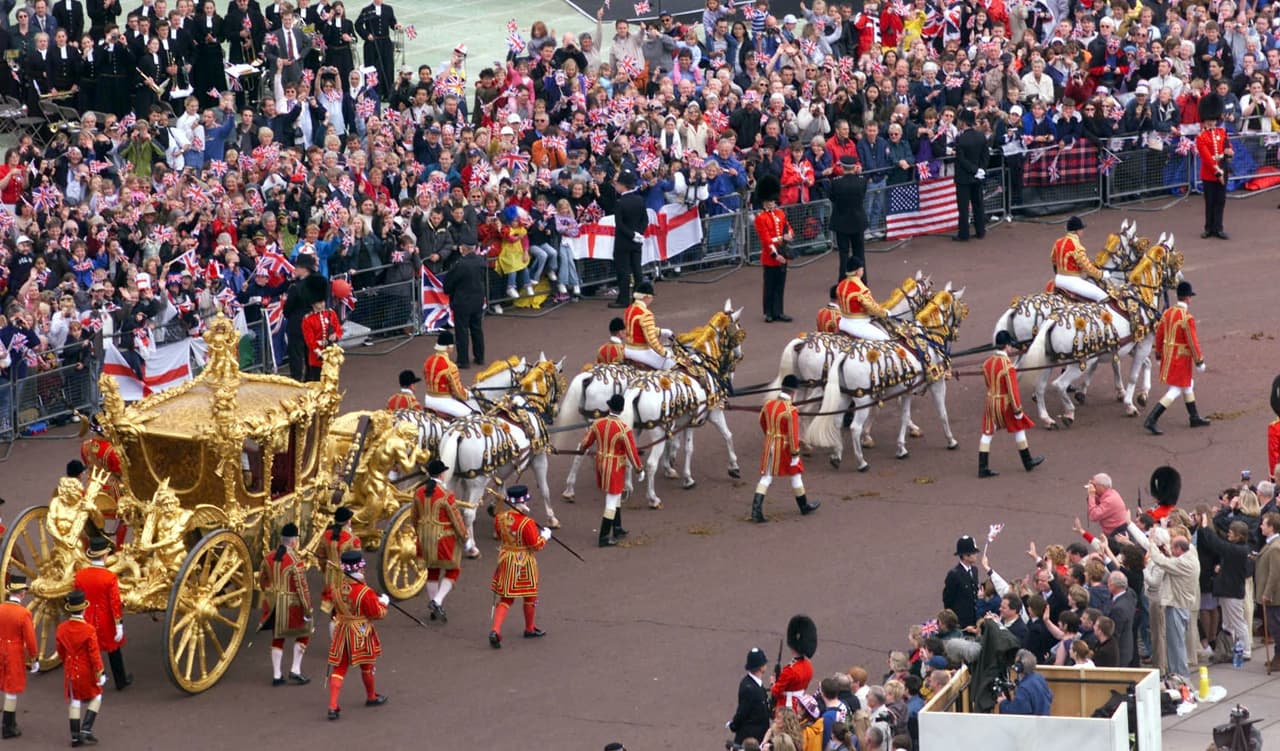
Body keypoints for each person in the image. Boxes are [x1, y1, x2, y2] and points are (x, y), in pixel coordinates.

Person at [326, 550, 389, 720]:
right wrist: (384, 603)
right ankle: (371, 696)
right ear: (359, 569)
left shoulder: (336, 589)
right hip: (360, 632)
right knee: (367, 665)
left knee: (339, 669)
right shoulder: (365, 591)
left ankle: (333, 705)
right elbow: (377, 614)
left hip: (342, 631)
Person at [1145, 281, 1210, 435]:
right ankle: (1152, 419)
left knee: (1187, 385)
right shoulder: (1187, 318)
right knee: (1175, 390)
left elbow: (1159, 335)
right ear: (1188, 298)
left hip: (1169, 357)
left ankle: (1194, 417)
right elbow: (1193, 343)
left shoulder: (1167, 313)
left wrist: (1159, 353)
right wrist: (1199, 361)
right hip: (1181, 360)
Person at [489, 485, 550, 648]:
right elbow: (535, 545)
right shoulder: (527, 523)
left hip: (506, 560)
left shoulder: (499, 518)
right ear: (522, 503)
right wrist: (544, 537)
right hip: (523, 563)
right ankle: (529, 628)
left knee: (506, 599)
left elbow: (498, 534)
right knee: (530, 595)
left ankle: (495, 629)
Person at [753, 375, 819, 523]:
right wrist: (795, 455)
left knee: (766, 477)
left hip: (769, 442)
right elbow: (793, 435)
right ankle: (803, 506)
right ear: (794, 392)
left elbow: (762, 422)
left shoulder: (768, 404)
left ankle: (756, 510)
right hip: (784, 447)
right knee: (796, 474)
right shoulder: (790, 410)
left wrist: (769, 436)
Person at [579, 394, 642, 543]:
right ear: (621, 410)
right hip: (615, 467)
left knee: (617, 495)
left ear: (609, 407)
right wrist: (639, 469)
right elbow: (632, 453)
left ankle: (617, 527)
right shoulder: (623, 429)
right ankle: (604, 536)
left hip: (601, 463)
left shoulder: (597, 423)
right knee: (612, 501)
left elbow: (585, 442)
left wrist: (582, 449)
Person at [979, 331, 1043, 477]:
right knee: (1019, 427)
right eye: (1010, 346)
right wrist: (1017, 410)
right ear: (1007, 346)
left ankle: (982, 467)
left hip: (990, 401)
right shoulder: (1007, 366)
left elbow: (988, 384)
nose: (1012, 348)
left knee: (987, 433)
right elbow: (1013, 391)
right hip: (1004, 403)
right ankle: (1027, 461)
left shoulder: (986, 363)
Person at [72, 537, 131, 692]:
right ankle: (121, 681)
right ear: (105, 556)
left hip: (86, 617)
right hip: (106, 620)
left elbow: (78, 598)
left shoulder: (80, 576)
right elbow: (115, 603)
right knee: (114, 652)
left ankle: (93, 680)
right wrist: (119, 625)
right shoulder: (109, 577)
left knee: (90, 651)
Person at [414, 460, 468, 621]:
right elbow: (456, 519)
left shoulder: (418, 492)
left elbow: (413, 517)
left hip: (424, 537)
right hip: (443, 538)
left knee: (432, 571)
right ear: (441, 474)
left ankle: (434, 605)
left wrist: (421, 532)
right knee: (453, 569)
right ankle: (437, 601)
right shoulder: (446, 495)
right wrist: (464, 536)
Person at [259, 523, 312, 687]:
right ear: (294, 541)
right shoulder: (295, 561)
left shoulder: (268, 557)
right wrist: (308, 609)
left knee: (278, 637)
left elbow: (261, 580)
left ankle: (277, 675)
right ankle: (295, 669)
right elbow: (302, 589)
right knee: (304, 633)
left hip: (273, 603)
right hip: (292, 605)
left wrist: (268, 592)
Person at [1147, 530, 1201, 679]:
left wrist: (1151, 544)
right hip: (1181, 606)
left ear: (1179, 549)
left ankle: (1180, 677)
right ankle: (1176, 674)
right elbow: (1172, 561)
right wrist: (1167, 552)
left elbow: (1161, 562)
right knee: (1175, 643)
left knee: (1176, 645)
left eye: (1172, 547)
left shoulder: (1184, 563)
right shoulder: (1191, 556)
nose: (1170, 548)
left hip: (1177, 606)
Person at [56, 590, 105, 747]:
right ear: (83, 609)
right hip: (86, 670)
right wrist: (100, 672)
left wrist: (67, 663)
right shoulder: (88, 630)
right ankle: (86, 730)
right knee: (97, 696)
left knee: (75, 701)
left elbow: (61, 651)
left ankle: (75, 737)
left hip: (70, 669)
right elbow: (94, 654)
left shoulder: (61, 628)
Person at [0, 574, 36, 739]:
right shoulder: (23, 613)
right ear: (22, 593)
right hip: (14, 653)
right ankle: (8, 726)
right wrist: (34, 659)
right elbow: (30, 640)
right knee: (11, 690)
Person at [754, 174, 793, 324]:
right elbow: (765, 239)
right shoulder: (760, 218)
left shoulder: (780, 213)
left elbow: (788, 228)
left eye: (772, 201)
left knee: (780, 285)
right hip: (771, 256)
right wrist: (775, 255)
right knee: (769, 285)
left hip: (783, 252)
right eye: (768, 201)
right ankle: (768, 312)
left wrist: (788, 235)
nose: (771, 203)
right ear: (764, 202)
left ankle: (779, 311)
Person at [442, 239, 488, 369]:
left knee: (461, 331)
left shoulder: (460, 264)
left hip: (462, 302)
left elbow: (449, 284)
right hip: (477, 300)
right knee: (477, 329)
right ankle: (480, 357)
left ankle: (463, 360)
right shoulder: (481, 261)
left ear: (464, 248)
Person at [318, 506, 362, 628]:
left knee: (334, 610)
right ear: (348, 521)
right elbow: (358, 564)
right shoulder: (353, 539)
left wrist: (326, 570)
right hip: (346, 578)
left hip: (330, 577)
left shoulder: (326, 535)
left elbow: (321, 557)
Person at [610, 170, 647, 309]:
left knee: (623, 271)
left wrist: (632, 235)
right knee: (637, 270)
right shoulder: (639, 199)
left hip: (623, 242)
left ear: (622, 186)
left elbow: (620, 225)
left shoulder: (620, 203)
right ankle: (638, 299)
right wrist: (639, 233)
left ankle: (623, 299)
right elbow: (645, 219)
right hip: (636, 242)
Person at [1195, 92, 1230, 240]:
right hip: (1210, 174)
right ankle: (1208, 228)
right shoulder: (1201, 137)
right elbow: (1207, 158)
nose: (1211, 122)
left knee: (1220, 201)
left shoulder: (1222, 132)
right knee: (1210, 202)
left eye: (1213, 119)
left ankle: (1218, 227)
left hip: (1223, 168)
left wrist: (1229, 152)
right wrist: (1218, 173)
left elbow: (1227, 148)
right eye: (1208, 120)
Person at [827, 154, 867, 279]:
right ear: (855, 167)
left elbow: (832, 197)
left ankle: (843, 280)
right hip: (857, 221)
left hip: (841, 222)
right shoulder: (862, 181)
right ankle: (862, 280)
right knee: (859, 252)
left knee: (843, 254)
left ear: (842, 167)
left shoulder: (836, 183)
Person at [1051, 216, 1108, 302]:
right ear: (1077, 231)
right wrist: (1101, 275)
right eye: (1081, 229)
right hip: (1072, 281)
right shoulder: (1076, 246)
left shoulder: (1058, 242)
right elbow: (1087, 267)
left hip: (1058, 279)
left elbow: (1053, 260)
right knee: (1103, 296)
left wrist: (1059, 274)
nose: (1082, 231)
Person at [952, 108, 988, 243]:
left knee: (963, 207)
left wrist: (974, 170)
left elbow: (961, 160)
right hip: (977, 177)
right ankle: (980, 231)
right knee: (978, 204)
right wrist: (981, 170)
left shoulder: (961, 139)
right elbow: (985, 155)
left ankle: (964, 234)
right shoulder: (981, 136)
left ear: (963, 122)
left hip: (964, 178)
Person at [621, 282, 675, 370]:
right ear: (646, 297)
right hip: (641, 352)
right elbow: (651, 340)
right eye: (651, 297)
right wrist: (664, 353)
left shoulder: (629, 309)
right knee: (672, 365)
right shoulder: (646, 314)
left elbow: (638, 330)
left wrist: (661, 332)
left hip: (627, 349)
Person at [771, 615, 817, 714]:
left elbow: (775, 691)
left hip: (786, 707)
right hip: (800, 705)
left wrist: (772, 682)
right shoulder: (808, 666)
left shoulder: (790, 670)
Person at [835, 260, 891, 341]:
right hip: (858, 324)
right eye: (862, 269)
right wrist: (885, 314)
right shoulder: (861, 289)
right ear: (857, 272)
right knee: (886, 340)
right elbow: (872, 308)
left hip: (843, 322)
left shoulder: (840, 285)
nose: (863, 271)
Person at [300, 273, 341, 382]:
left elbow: (338, 329)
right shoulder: (307, 319)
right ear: (313, 303)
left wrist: (335, 336)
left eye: (323, 301)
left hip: (331, 355)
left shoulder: (331, 313)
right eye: (319, 302)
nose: (322, 304)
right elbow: (310, 341)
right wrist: (320, 353)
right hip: (316, 358)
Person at [421, 331, 472, 418]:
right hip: (443, 401)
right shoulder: (450, 366)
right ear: (448, 347)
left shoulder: (427, 361)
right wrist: (468, 395)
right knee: (470, 415)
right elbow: (458, 391)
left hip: (428, 399)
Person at [354, 0, 398, 99]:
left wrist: (396, 26)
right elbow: (358, 25)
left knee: (387, 66)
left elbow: (392, 22)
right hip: (372, 44)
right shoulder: (367, 10)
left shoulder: (388, 9)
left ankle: (388, 93)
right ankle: (374, 92)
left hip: (385, 42)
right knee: (372, 67)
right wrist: (366, 34)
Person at [728, 647, 771, 746]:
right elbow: (742, 712)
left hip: (758, 736)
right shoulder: (749, 688)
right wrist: (734, 725)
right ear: (761, 667)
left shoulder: (754, 684)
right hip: (751, 738)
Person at [283, 254, 316, 381]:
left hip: (297, 323)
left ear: (304, 269)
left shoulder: (296, 287)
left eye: (298, 267)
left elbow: (288, 308)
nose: (295, 269)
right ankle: (310, 379)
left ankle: (296, 381)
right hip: (313, 321)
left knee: (296, 355)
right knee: (310, 353)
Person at [1256, 513, 1280, 671]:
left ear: (1271, 527)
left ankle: (1279, 657)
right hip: (1272, 595)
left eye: (1264, 524)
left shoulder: (1275, 548)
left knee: (1276, 627)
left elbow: (1275, 573)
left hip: (1274, 597)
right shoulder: (1270, 545)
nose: (1261, 526)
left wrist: (1267, 593)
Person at [943, 535, 981, 630]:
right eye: (973, 553)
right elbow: (948, 600)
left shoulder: (974, 570)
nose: (976, 555)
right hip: (961, 624)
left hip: (974, 621)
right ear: (965, 555)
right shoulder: (954, 575)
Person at [998, 650, 1053, 715]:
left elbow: (1016, 712)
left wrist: (1003, 703)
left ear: (1018, 667)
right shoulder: (1040, 678)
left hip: (1032, 724)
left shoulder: (1024, 688)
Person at [1104, 571, 1137, 668]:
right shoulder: (1130, 595)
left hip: (1120, 651)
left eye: (1109, 582)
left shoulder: (1118, 608)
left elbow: (1115, 633)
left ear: (1114, 586)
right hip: (1127, 646)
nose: (1107, 584)